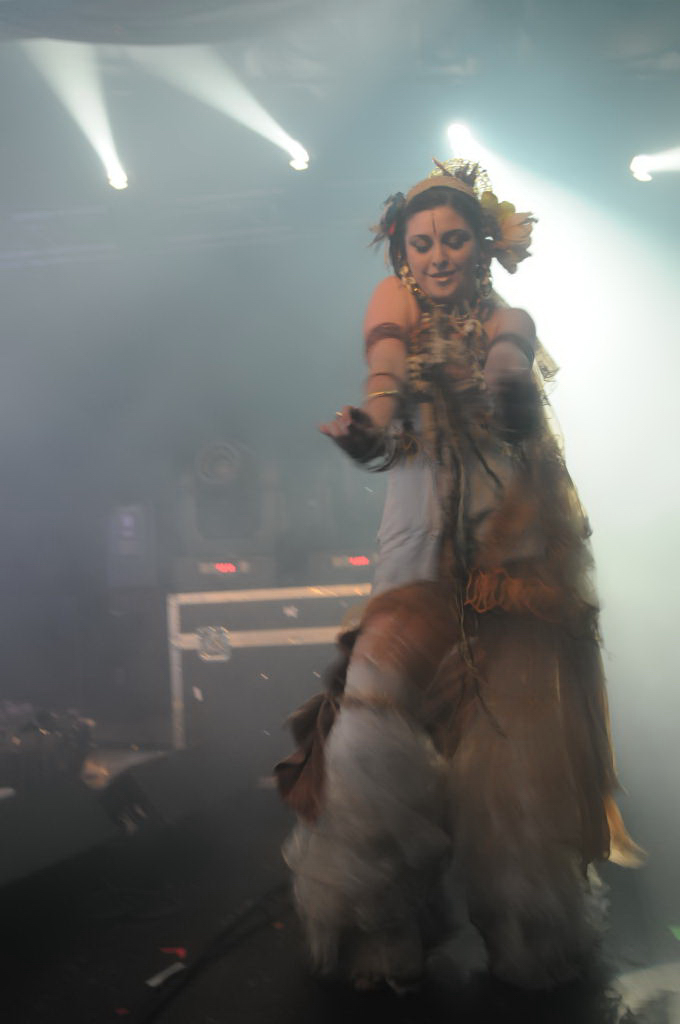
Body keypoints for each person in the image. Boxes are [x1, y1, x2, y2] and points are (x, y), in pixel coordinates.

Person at [276, 159, 643, 993]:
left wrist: (508, 390)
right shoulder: (394, 302)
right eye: (422, 244)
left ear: (482, 245)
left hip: (509, 555)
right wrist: (368, 431)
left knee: (508, 755)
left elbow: (512, 365)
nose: (437, 256)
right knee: (372, 717)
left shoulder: (511, 316)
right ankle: (381, 927)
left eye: (453, 240)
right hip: (420, 552)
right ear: (403, 255)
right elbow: (382, 383)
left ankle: (526, 935)